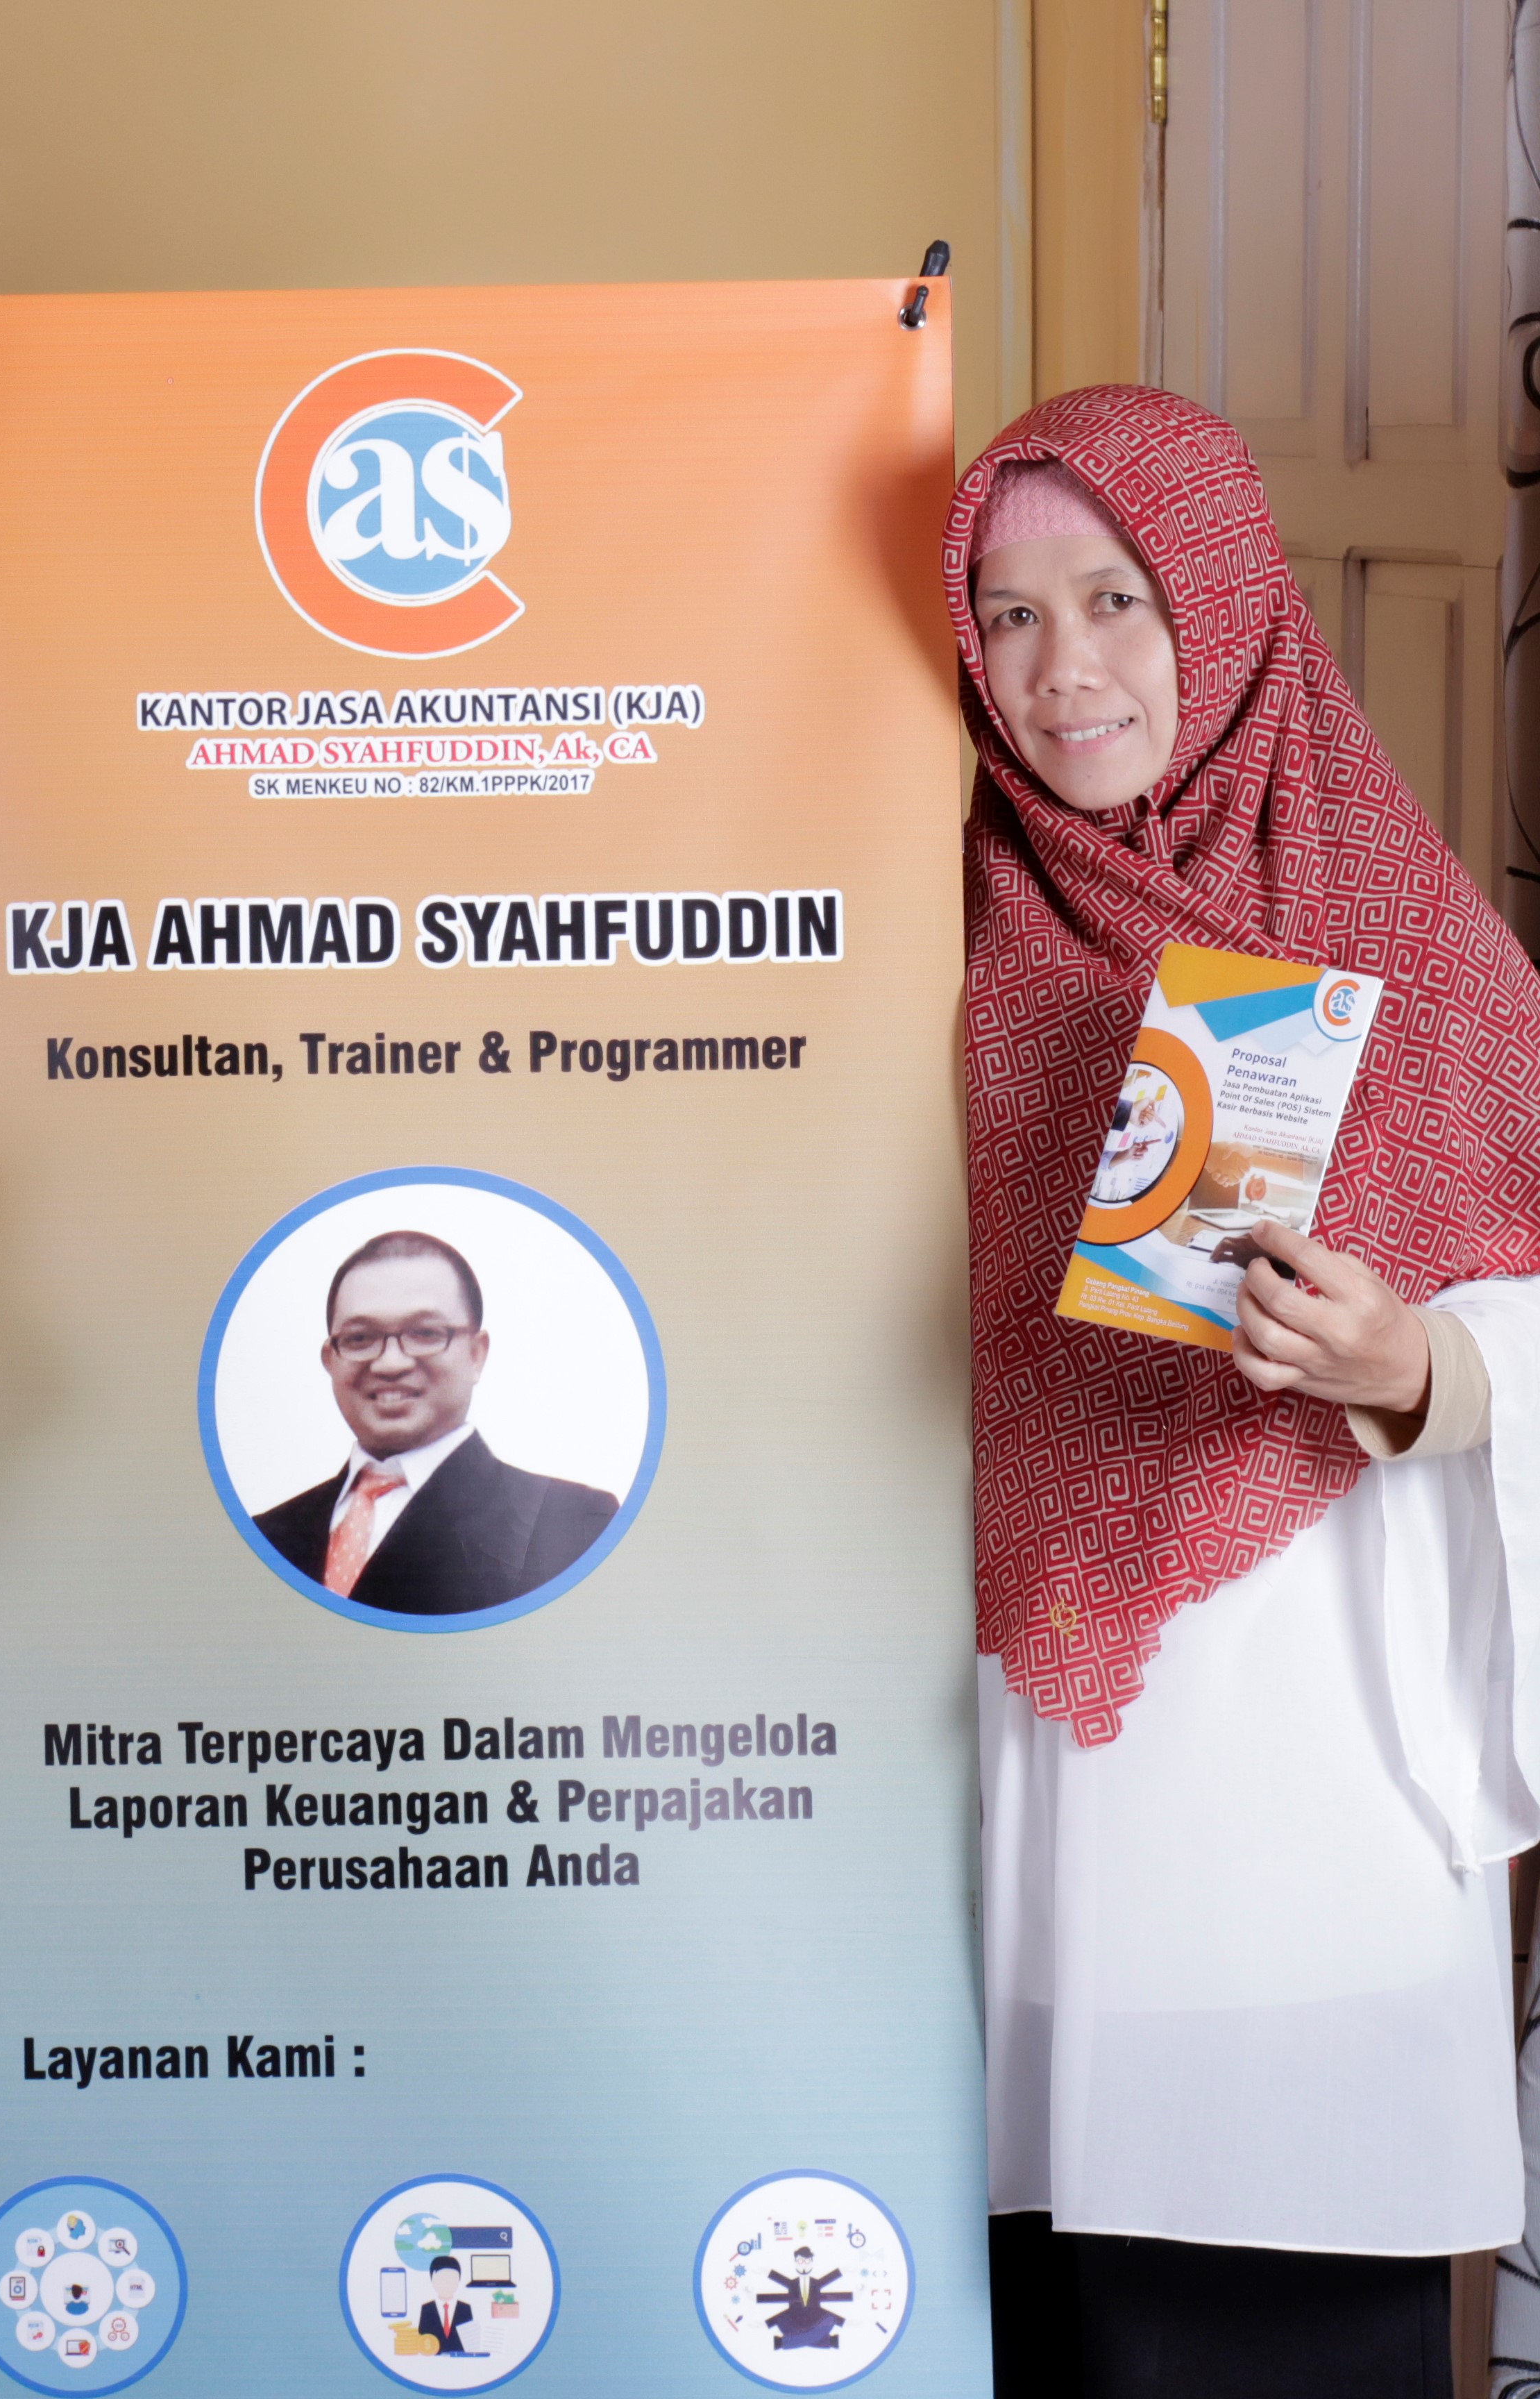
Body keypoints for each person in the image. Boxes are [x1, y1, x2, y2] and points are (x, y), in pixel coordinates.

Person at [956, 385, 1540, 2398]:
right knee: (1037, 2319)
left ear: (1219, 601)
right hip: (1019, 1814)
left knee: (1276, 2327)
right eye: (1007, 613)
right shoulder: (929, 936)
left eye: (1113, 597)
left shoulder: (1423, 961)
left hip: (1303, 1810)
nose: (1063, 667)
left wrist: (1421, 1367)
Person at [251, 1229, 617, 1614]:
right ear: (331, 1359)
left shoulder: (572, 1523)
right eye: (360, 1338)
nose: (390, 1364)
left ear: (476, 1354)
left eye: (425, 1333)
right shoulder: (266, 1535)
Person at [416, 2255, 473, 2354]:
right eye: (442, 2278)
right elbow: (422, 2341)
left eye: (452, 2279)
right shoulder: (427, 2309)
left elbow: (471, 2343)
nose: (447, 2283)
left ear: (459, 2280)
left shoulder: (465, 2309)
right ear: (432, 2280)